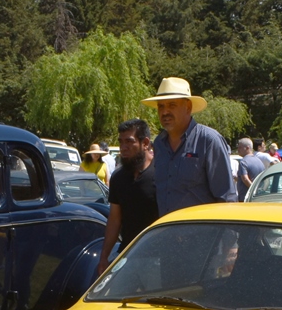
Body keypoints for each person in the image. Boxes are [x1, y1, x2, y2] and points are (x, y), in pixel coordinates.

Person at [143, 77, 236, 216]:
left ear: (188, 107)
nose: (164, 112)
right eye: (161, 106)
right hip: (167, 234)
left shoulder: (208, 141)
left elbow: (226, 198)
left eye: (172, 105)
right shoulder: (159, 144)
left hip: (203, 235)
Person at [98, 118, 158, 275]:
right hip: (127, 255)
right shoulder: (118, 178)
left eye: (129, 142)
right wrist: (104, 257)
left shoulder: (162, 175)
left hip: (157, 259)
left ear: (145, 143)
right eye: (121, 142)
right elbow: (114, 219)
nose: (123, 148)